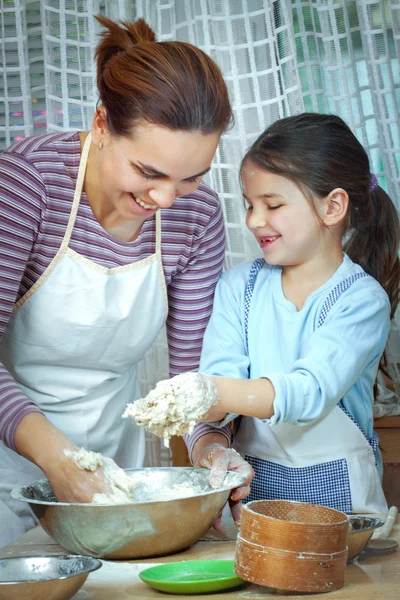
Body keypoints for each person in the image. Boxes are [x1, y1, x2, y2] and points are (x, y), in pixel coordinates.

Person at [0, 15, 253, 548]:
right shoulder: (27, 184)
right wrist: (57, 458)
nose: (166, 199)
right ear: (100, 124)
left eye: (191, 177)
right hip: (9, 469)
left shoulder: (196, 216)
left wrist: (209, 447)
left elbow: (192, 377)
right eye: (148, 172)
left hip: (118, 473)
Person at [145, 113, 399, 515]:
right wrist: (209, 438)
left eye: (273, 204)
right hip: (256, 499)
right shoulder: (237, 288)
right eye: (249, 205)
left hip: (346, 514)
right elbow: (221, 386)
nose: (253, 220)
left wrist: (212, 389)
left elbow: (310, 391)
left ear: (333, 206)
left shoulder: (361, 301)